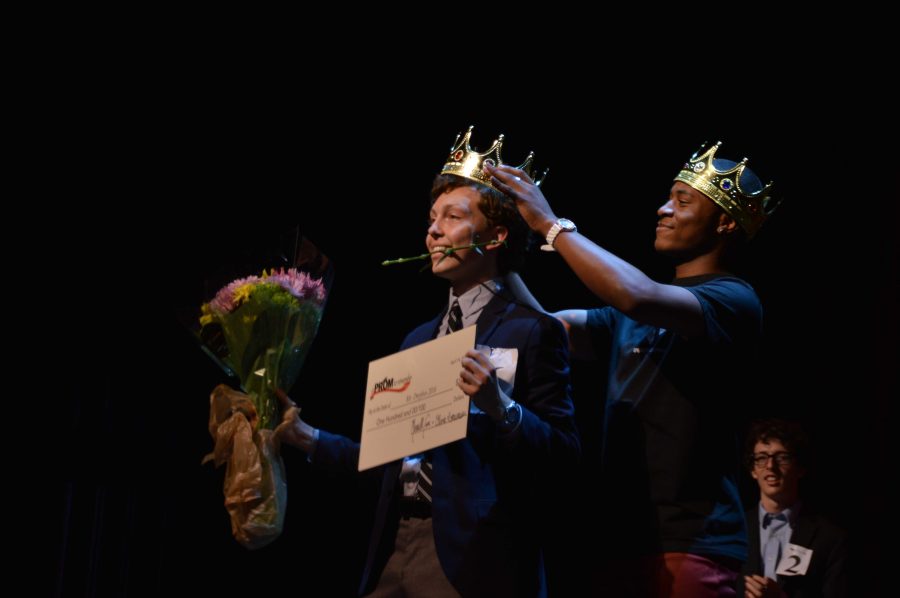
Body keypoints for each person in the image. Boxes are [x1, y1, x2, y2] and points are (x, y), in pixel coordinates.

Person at [276, 126, 579, 597]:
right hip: (397, 548)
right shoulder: (418, 339)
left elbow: (564, 458)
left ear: (496, 235)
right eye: (431, 218)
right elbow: (387, 459)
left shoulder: (530, 331)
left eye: (453, 217)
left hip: (476, 556)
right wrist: (308, 438)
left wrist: (504, 409)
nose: (433, 230)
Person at [485, 141, 778, 597]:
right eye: (668, 197)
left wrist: (550, 226)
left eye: (682, 201)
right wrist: (500, 259)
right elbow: (546, 330)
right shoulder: (631, 314)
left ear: (724, 222)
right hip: (619, 541)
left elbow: (635, 293)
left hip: (689, 543)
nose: (663, 209)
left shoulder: (734, 300)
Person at [738, 419, 847, 598]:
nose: (770, 467)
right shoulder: (732, 530)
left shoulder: (830, 538)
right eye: (761, 458)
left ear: (800, 468)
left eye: (782, 458)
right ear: (753, 470)